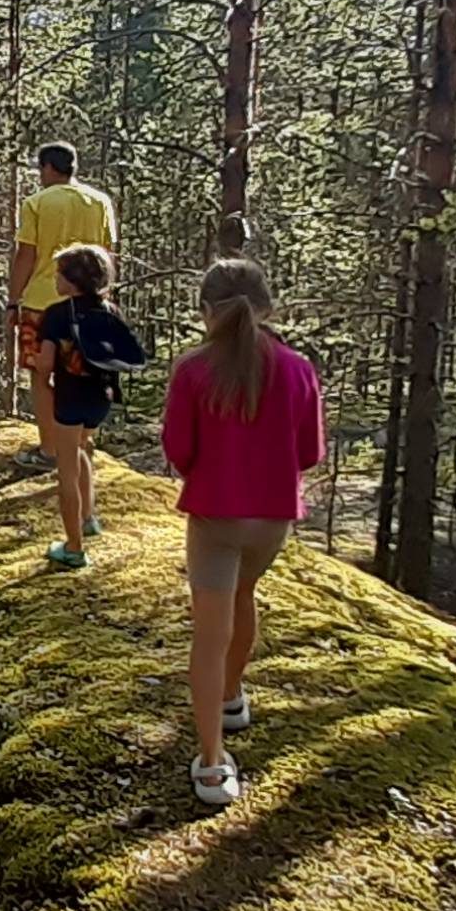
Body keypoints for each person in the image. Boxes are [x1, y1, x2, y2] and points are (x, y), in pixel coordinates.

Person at [160, 259, 325, 807]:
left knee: (208, 635)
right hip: (272, 520)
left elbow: (179, 452)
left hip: (215, 516)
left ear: (205, 312)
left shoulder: (193, 370)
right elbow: (310, 454)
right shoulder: (299, 369)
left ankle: (212, 765)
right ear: (268, 306)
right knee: (245, 597)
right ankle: (232, 697)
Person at [31, 243, 145, 570]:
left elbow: (46, 365)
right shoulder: (111, 311)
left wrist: (38, 363)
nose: (55, 279)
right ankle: (89, 517)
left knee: (66, 469)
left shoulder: (56, 314)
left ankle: (74, 547)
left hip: (70, 398)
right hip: (101, 398)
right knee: (84, 445)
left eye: (59, 274)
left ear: (73, 280)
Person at [8, 143, 117, 470]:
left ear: (48, 169)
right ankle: (81, 445)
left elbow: (26, 255)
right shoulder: (100, 202)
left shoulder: (36, 203)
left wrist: (13, 301)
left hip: (42, 303)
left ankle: (50, 450)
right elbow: (108, 255)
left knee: (42, 376)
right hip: (88, 305)